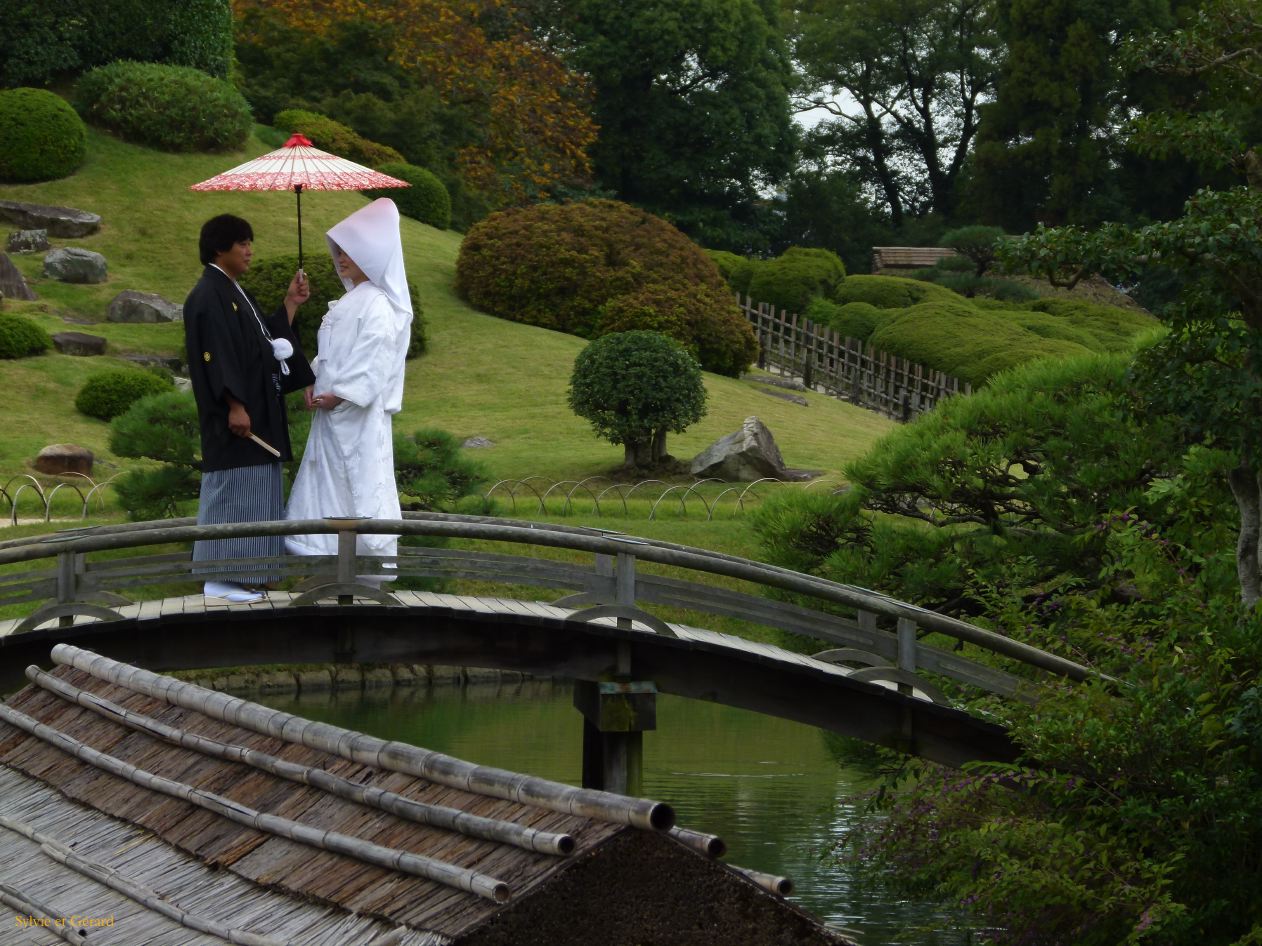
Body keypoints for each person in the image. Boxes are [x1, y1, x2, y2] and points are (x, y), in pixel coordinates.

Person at [184, 214, 314, 603]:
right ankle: (220, 578)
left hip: (256, 415)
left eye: (249, 242)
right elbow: (216, 355)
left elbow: (264, 344)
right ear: (219, 248)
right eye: (242, 242)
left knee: (255, 494)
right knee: (232, 494)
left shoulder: (234, 291)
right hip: (236, 420)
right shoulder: (209, 294)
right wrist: (235, 404)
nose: (249, 250)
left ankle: (244, 577)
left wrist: (291, 303)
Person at [285, 198, 413, 572]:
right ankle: (325, 564)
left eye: (349, 252)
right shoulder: (347, 302)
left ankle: (359, 568)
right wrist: (312, 380)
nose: (340, 258)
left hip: (356, 416)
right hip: (330, 413)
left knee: (357, 482)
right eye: (338, 252)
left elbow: (374, 357)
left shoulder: (377, 305)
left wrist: (340, 394)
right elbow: (331, 355)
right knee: (328, 485)